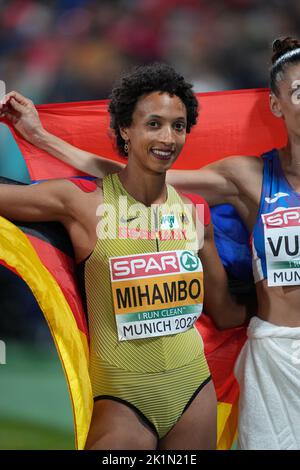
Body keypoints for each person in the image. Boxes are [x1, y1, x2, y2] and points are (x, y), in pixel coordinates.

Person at [3, 36, 299, 451]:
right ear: (125, 128)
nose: (168, 137)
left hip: (194, 393)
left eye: (178, 126)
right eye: (154, 124)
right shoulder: (83, 201)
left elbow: (227, 315)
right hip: (126, 398)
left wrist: (268, 308)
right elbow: (125, 173)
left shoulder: (194, 214)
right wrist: (39, 136)